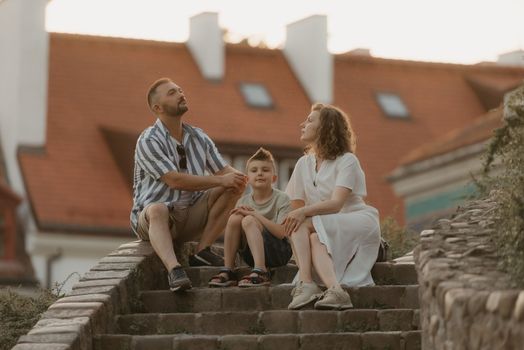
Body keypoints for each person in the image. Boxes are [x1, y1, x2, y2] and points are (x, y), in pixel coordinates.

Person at [130, 78, 247, 292]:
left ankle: (202, 251)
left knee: (234, 185)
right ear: (157, 108)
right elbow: (174, 180)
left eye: (180, 90)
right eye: (172, 93)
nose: (181, 94)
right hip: (154, 220)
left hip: (190, 214)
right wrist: (222, 179)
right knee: (158, 209)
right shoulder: (148, 140)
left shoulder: (198, 136)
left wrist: (248, 180)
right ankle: (175, 271)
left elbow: (224, 171)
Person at [283, 103, 381, 310]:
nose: (303, 124)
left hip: (356, 219)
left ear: (325, 127)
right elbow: (296, 207)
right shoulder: (303, 164)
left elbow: (337, 204)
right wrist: (300, 214)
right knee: (308, 232)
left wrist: (303, 213)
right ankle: (327, 288)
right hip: (324, 224)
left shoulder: (347, 160)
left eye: (310, 121)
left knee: (306, 223)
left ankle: (308, 284)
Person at [208, 148, 292, 287]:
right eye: (254, 170)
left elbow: (282, 232)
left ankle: (261, 271)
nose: (259, 173)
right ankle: (228, 270)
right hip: (250, 254)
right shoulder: (243, 201)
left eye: (265, 170)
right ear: (247, 178)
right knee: (235, 218)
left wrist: (255, 215)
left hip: (278, 252)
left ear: (274, 178)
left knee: (248, 219)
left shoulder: (282, 199)